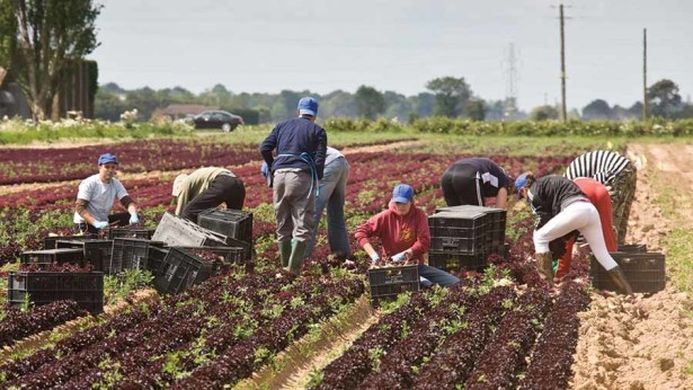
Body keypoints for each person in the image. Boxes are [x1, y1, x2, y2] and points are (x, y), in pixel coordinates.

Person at [514, 173, 632, 294]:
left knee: (539, 237)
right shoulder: (547, 182)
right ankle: (628, 291)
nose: (525, 198)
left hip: (574, 210)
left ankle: (547, 288)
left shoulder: (533, 191)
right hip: (590, 210)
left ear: (524, 189)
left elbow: (542, 218)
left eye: (522, 195)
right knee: (603, 255)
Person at [260, 96, 327, 275]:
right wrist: (317, 178)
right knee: (303, 223)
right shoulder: (318, 130)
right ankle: (293, 269)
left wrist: (273, 166)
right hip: (300, 176)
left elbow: (264, 148)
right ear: (314, 115)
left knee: (282, 223)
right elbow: (320, 160)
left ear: (299, 111)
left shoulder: (282, 126)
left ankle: (284, 268)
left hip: (280, 177)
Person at [355, 184, 460, 288]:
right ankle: (422, 282)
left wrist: (407, 253)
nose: (401, 206)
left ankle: (421, 280)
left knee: (454, 282)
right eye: (398, 203)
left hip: (415, 266)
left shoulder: (419, 215)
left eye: (404, 203)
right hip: (391, 269)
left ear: (411, 201)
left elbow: (424, 242)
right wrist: (373, 255)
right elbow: (360, 232)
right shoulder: (385, 216)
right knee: (424, 284)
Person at [553, 177, 618, 281]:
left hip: (584, 196)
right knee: (607, 233)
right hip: (601, 190)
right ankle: (615, 271)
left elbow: (566, 242)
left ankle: (562, 274)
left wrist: (561, 273)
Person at [565, 150, 636, 243]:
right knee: (620, 217)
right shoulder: (566, 189)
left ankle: (610, 252)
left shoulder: (567, 196)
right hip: (627, 168)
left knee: (607, 220)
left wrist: (581, 244)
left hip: (615, 172)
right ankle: (617, 247)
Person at [304, 146, 350, 260]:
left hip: (328, 165)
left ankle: (302, 258)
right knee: (336, 212)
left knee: (312, 213)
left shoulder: (286, 154)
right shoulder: (294, 139)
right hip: (340, 161)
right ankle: (342, 254)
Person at [73, 153, 139, 234]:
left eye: (113, 167)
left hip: (103, 221)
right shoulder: (89, 183)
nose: (110, 170)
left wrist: (133, 214)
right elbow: (80, 208)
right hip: (86, 223)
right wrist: (96, 223)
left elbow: (127, 202)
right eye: (107, 167)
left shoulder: (115, 183)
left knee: (130, 216)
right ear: (99, 167)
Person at [172, 166, 246, 222]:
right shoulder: (195, 180)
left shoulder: (183, 184)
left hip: (223, 181)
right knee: (234, 220)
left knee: (189, 211)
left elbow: (180, 211)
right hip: (238, 184)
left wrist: (175, 224)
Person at [440, 157, 510, 209]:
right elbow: (499, 211)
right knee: (477, 216)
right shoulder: (504, 180)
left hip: (447, 175)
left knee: (454, 216)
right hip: (468, 174)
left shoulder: (494, 171)